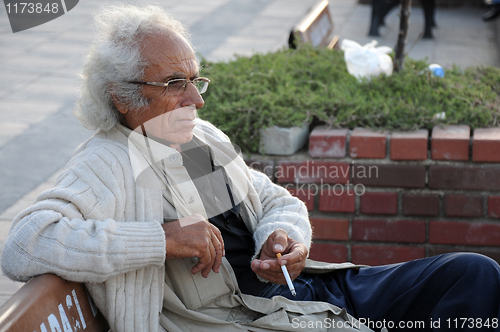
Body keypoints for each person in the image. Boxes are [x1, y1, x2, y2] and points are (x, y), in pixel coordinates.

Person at [1, 5, 499, 332]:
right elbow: (25, 242)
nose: (195, 98)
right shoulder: (108, 163)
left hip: (298, 290)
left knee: (471, 276)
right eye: (176, 83)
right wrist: (165, 238)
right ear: (124, 96)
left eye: (196, 80)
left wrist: (281, 235)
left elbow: (276, 199)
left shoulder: (197, 138)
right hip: (251, 318)